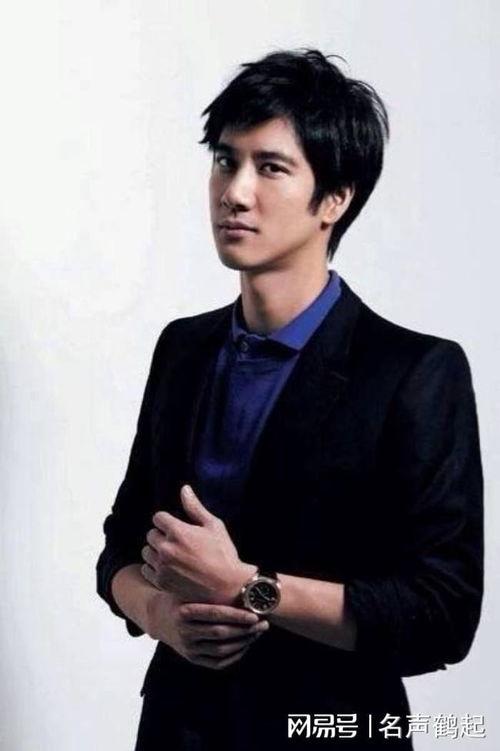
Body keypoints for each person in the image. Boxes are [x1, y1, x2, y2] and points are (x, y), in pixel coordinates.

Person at [96, 49, 483, 750]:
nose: (234, 191)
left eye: (270, 167)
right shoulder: (184, 349)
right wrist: (158, 614)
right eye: (225, 160)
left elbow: (442, 613)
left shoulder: (415, 373)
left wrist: (250, 586)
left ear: (335, 198)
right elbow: (123, 541)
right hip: (179, 727)